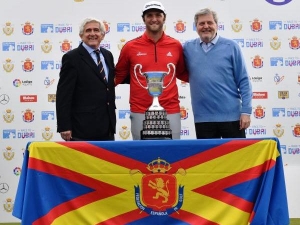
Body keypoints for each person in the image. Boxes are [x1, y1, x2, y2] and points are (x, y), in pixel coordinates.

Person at [115, 1, 188, 140]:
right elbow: (118, 76)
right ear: (143, 19)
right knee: (141, 155)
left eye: (158, 15)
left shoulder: (176, 45)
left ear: (164, 18)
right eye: (149, 15)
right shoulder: (130, 47)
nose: (154, 19)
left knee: (172, 154)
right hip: (140, 109)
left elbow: (182, 73)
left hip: (170, 108)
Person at [183, 8, 252, 139]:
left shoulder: (231, 47)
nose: (206, 26)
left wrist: (246, 111)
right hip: (203, 119)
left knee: (236, 159)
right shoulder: (188, 48)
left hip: (232, 117)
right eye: (201, 23)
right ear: (196, 26)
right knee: (209, 160)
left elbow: (243, 80)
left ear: (217, 25)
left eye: (210, 22)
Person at [56, 17, 116, 141]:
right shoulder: (71, 58)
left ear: (102, 35)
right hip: (82, 128)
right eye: (88, 31)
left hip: (107, 127)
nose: (92, 34)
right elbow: (64, 95)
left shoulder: (108, 55)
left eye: (96, 30)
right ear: (81, 35)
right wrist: (64, 125)